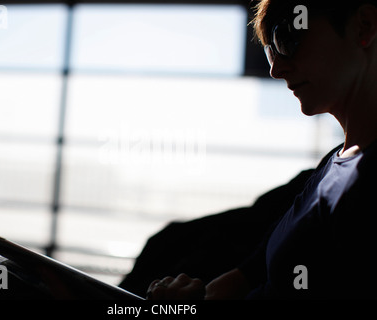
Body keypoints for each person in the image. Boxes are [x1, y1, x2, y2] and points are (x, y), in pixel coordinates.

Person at [146, 0, 377, 299]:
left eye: (287, 39)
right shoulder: (335, 163)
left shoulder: (364, 177)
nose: (276, 69)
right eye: (271, 51)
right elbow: (251, 273)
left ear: (364, 26)